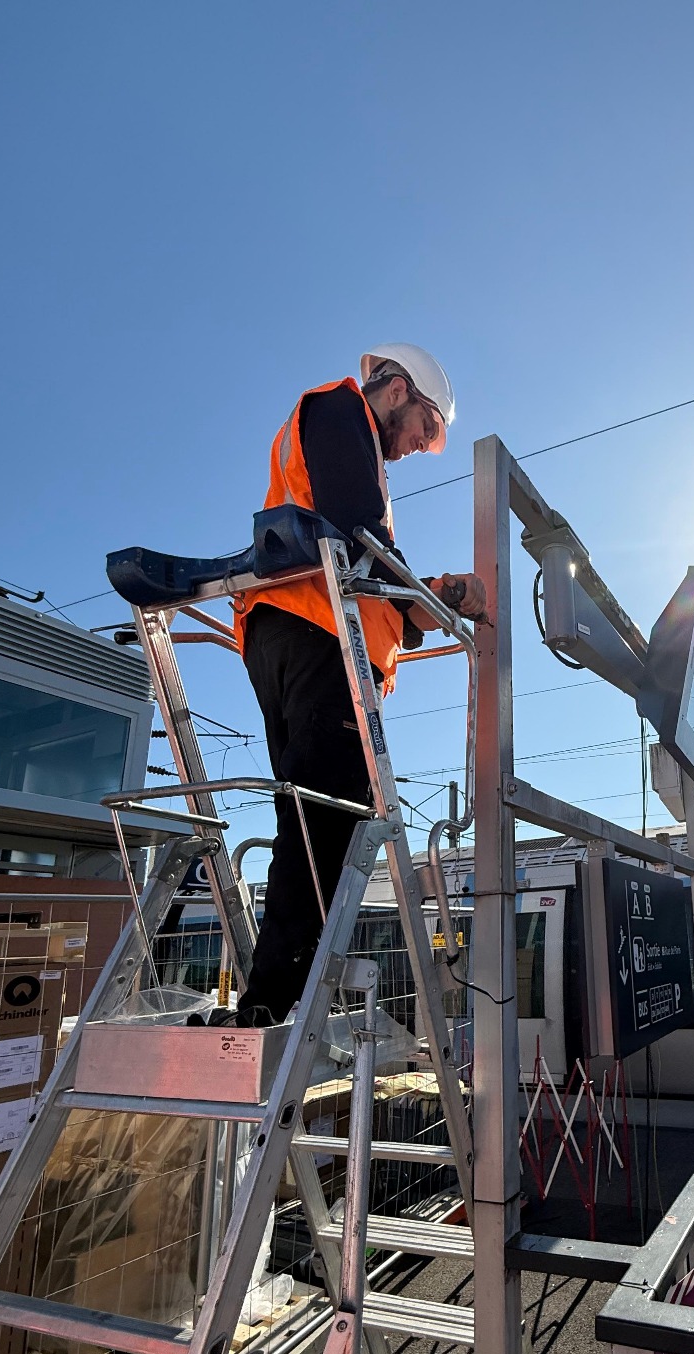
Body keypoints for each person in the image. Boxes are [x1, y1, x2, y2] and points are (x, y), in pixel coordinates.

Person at [216, 343, 485, 1026]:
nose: (417, 447)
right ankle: (281, 1003)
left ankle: (273, 996)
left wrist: (438, 597)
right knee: (330, 822)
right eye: (423, 429)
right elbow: (360, 536)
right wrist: (441, 597)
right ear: (396, 392)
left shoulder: (345, 440)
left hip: (299, 631)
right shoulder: (339, 412)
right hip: (316, 636)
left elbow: (371, 572)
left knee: (310, 819)